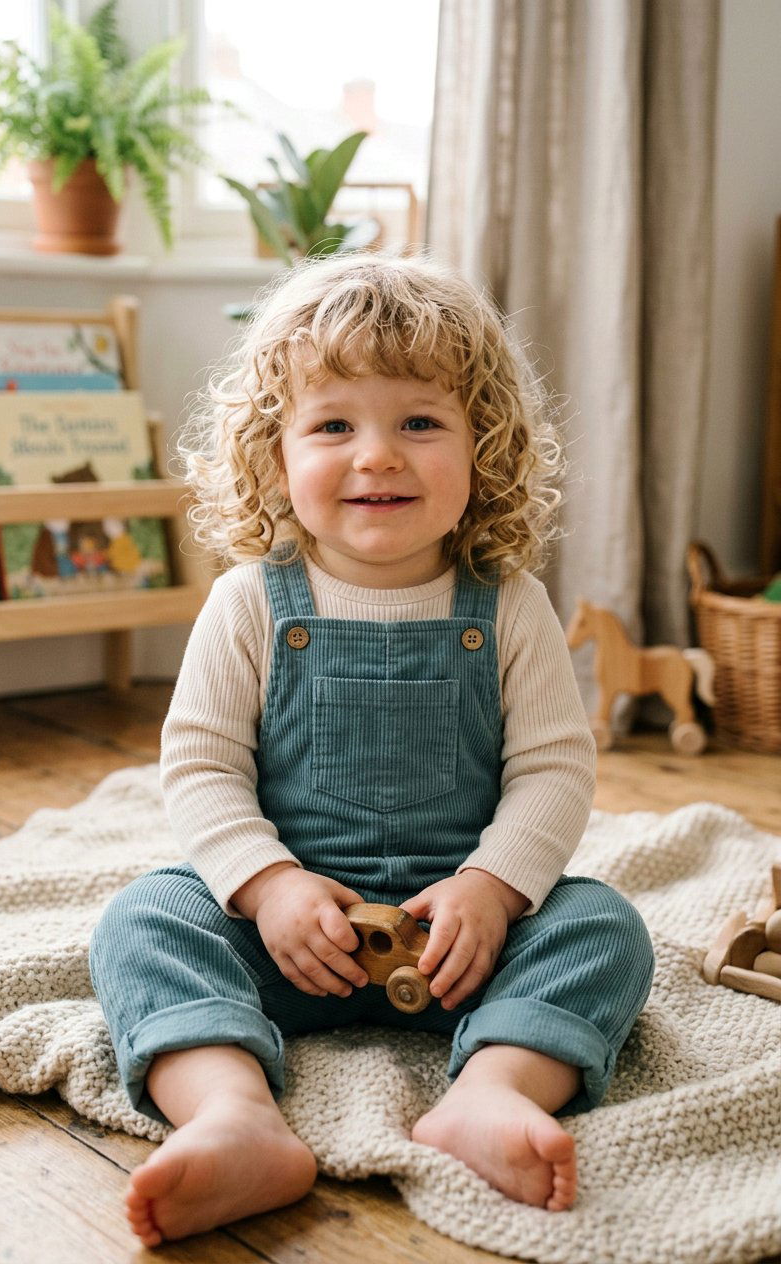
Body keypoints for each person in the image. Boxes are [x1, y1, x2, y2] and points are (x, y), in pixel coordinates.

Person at [89, 251, 655, 1248]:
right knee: (144, 919)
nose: (377, 455)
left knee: (603, 928)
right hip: (287, 942)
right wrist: (265, 887)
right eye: (334, 424)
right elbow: (204, 766)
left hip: (462, 942)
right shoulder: (250, 602)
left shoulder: (508, 604)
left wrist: (493, 886)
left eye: (420, 422)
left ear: (485, 449)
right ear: (274, 456)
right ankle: (233, 1111)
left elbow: (551, 770)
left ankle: (489, 1089)